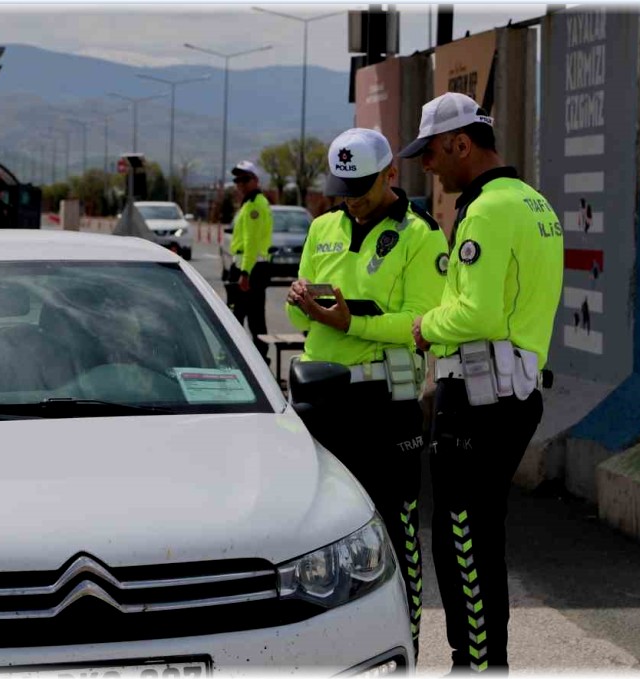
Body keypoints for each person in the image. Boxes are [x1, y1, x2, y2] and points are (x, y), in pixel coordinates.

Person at [402, 92, 563, 673]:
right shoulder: (534, 202)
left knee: (460, 539)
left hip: (477, 398)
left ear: (460, 144)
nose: (428, 165)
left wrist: (423, 326)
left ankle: (475, 663)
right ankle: (486, 657)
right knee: (480, 535)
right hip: (511, 396)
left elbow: (476, 315)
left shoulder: (488, 210)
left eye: (432, 152)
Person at [285, 128, 448, 656]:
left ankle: (408, 651)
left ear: (392, 174)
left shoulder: (422, 235)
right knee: (311, 539)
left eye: (361, 185)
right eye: (342, 186)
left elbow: (423, 323)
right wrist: (300, 300)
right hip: (321, 403)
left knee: (398, 534)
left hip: (384, 404)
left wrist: (352, 321)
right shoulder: (323, 227)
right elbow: (296, 311)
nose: (350, 196)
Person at [226, 160, 272, 355]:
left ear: (256, 180)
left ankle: (238, 358)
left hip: (250, 268)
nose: (241, 184)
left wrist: (244, 272)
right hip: (250, 266)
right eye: (237, 180)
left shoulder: (255, 206)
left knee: (236, 317)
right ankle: (259, 358)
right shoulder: (249, 203)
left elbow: (251, 241)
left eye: (245, 179)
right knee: (253, 317)